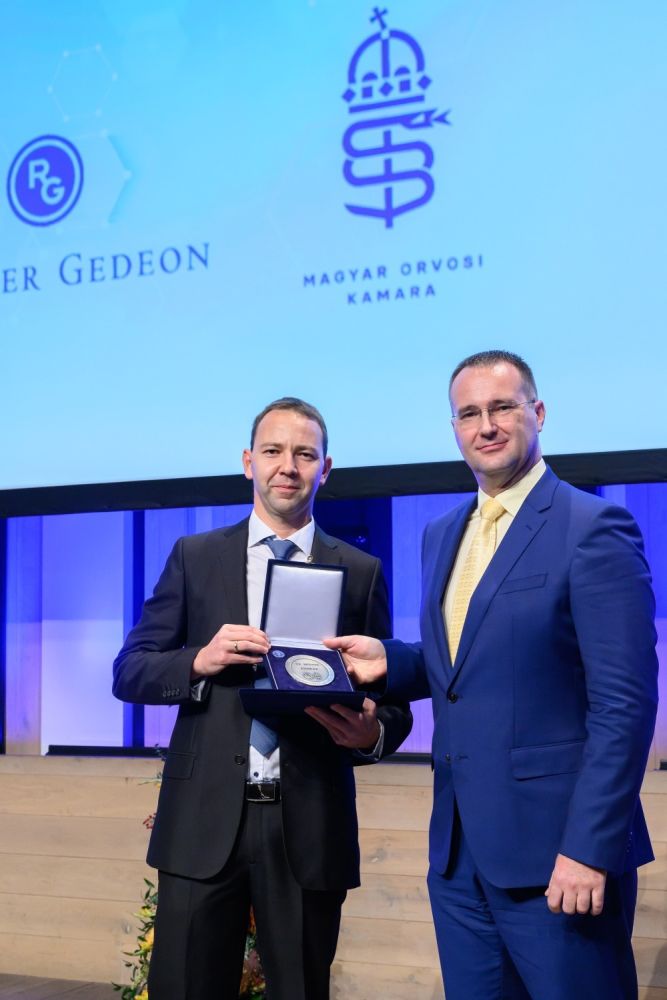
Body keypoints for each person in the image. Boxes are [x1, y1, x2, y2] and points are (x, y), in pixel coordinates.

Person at [327, 351, 658, 1000]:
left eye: (502, 407)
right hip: (458, 860)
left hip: (558, 859)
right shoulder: (441, 532)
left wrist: (588, 848)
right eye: (469, 413)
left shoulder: (593, 528)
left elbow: (624, 705)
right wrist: (391, 661)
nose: (486, 426)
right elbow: (469, 662)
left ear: (538, 412)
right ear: (453, 427)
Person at [112, 397, 412, 1000]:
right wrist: (199, 660)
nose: (288, 467)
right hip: (202, 823)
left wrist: (372, 734)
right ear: (249, 461)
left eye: (305, 454)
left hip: (308, 826)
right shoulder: (195, 557)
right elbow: (130, 672)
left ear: (326, 469)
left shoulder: (360, 570)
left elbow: (393, 700)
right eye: (273, 451)